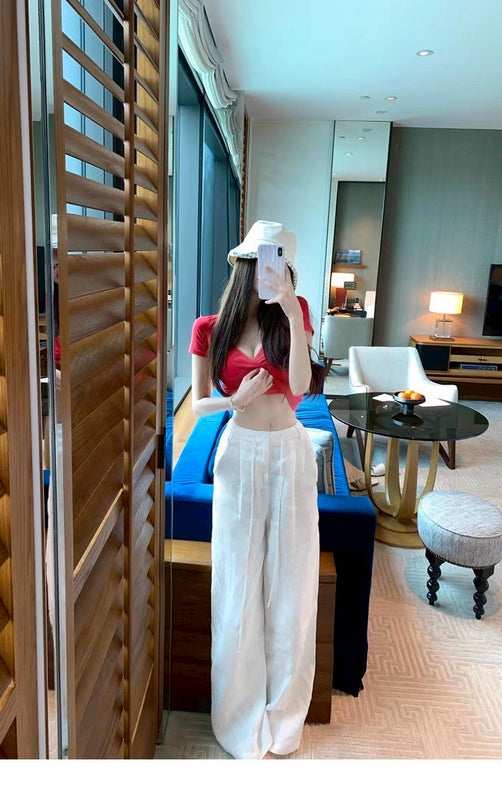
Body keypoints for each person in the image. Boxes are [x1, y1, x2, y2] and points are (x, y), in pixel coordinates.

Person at [189, 220, 325, 759]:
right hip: (239, 452)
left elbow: (302, 385)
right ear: (247, 264)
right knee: (237, 584)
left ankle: (284, 720)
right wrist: (234, 400)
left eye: (283, 264)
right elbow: (199, 402)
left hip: (289, 453)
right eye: (267, 262)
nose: (274, 272)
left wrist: (290, 309)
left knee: (292, 584)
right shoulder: (209, 328)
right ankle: (238, 716)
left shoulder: (295, 313)